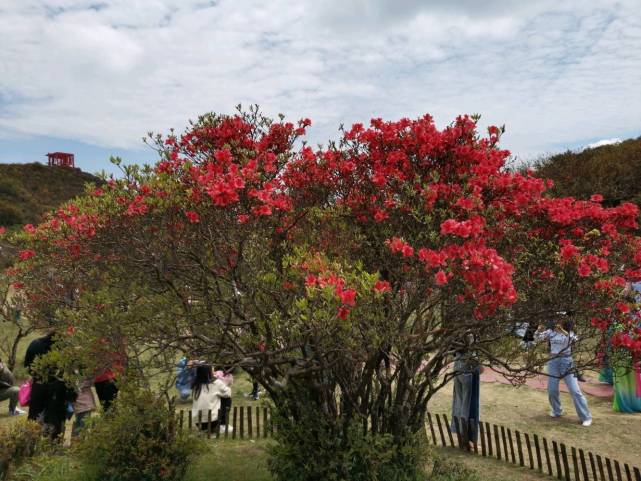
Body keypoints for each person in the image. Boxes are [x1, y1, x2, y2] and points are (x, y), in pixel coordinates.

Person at [535, 319, 592, 426]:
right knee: (552, 389)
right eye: (557, 319)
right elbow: (537, 338)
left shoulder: (569, 332)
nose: (557, 322)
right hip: (553, 361)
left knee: (575, 391)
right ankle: (557, 411)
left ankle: (586, 417)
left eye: (560, 320)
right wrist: (538, 330)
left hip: (567, 362)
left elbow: (575, 339)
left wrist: (562, 331)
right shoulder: (550, 332)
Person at [24, 332, 76, 439]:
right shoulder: (65, 347)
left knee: (34, 415)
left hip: (39, 384)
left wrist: (36, 375)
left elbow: (27, 365)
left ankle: (30, 441)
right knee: (55, 417)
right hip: (58, 387)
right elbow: (72, 370)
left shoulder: (35, 344)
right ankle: (53, 445)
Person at [450, 342, 481, 447]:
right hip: (466, 371)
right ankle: (464, 437)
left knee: (459, 403)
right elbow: (479, 368)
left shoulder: (457, 331)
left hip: (457, 368)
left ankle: (460, 434)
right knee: (466, 406)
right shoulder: (470, 336)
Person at [191, 364, 232, 433]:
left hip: (198, 422)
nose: (214, 371)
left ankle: (206, 429)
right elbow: (228, 393)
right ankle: (222, 424)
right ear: (208, 372)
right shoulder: (216, 383)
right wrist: (225, 383)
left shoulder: (196, 384)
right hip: (212, 421)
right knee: (226, 399)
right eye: (212, 369)